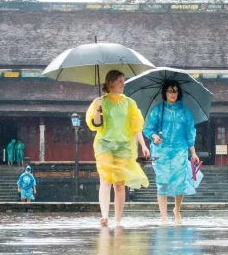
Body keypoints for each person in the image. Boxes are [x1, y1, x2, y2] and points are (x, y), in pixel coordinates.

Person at [86, 69, 150, 227]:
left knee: (120, 184)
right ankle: (105, 216)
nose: (123, 84)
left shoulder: (129, 103)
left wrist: (143, 145)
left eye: (124, 81)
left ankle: (118, 219)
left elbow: (136, 127)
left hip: (123, 147)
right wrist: (98, 109)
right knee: (106, 180)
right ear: (110, 82)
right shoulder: (100, 102)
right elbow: (95, 124)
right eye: (120, 81)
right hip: (104, 145)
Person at [143, 80, 203, 225]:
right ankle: (163, 216)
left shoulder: (185, 113)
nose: (173, 94)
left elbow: (190, 134)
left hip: (179, 150)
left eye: (175, 91)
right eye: (170, 91)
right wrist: (154, 136)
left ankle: (177, 210)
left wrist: (193, 153)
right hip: (161, 150)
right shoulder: (158, 110)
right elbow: (147, 128)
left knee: (179, 181)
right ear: (165, 92)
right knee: (162, 182)